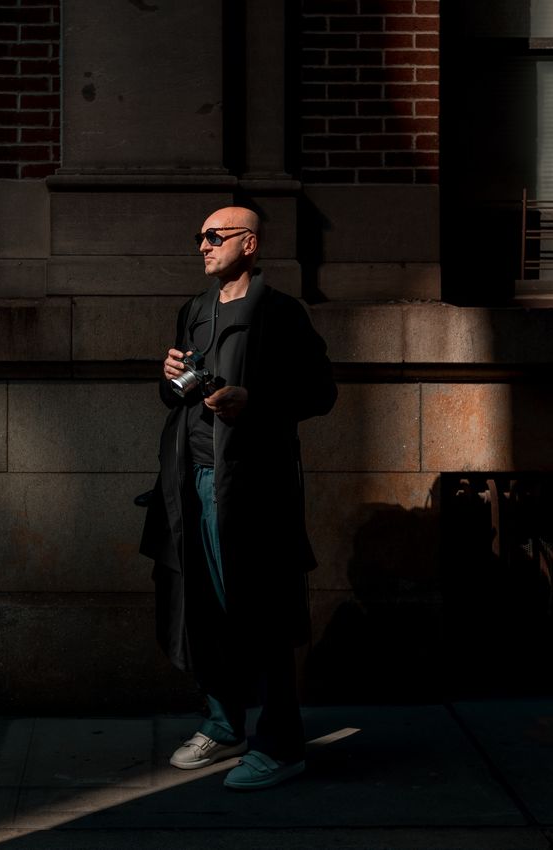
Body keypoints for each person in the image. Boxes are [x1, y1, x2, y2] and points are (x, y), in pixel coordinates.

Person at [140, 205, 336, 790]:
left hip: (249, 490)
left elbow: (320, 393)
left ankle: (280, 746)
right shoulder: (195, 310)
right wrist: (169, 374)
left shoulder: (280, 314)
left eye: (213, 236)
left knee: (262, 611)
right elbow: (175, 397)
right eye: (199, 236)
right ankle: (224, 725)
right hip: (190, 483)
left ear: (248, 244)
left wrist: (255, 401)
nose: (202, 245)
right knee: (201, 607)